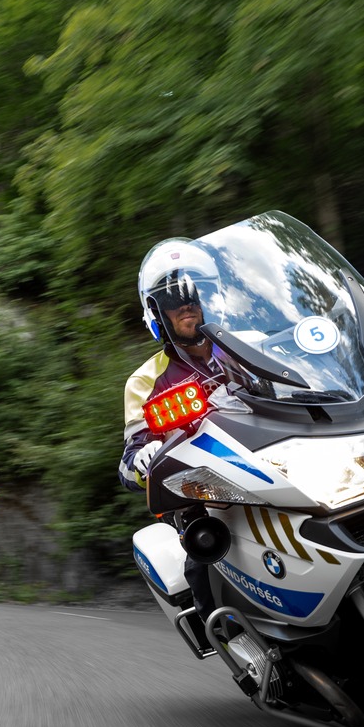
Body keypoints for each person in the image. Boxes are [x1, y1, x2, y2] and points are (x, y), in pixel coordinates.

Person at [118, 240, 230, 647]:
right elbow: (129, 462)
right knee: (205, 552)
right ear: (157, 313)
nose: (185, 305)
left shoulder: (249, 346)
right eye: (171, 299)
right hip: (208, 492)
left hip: (281, 465)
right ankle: (231, 641)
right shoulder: (146, 380)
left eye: (193, 293)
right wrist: (144, 458)